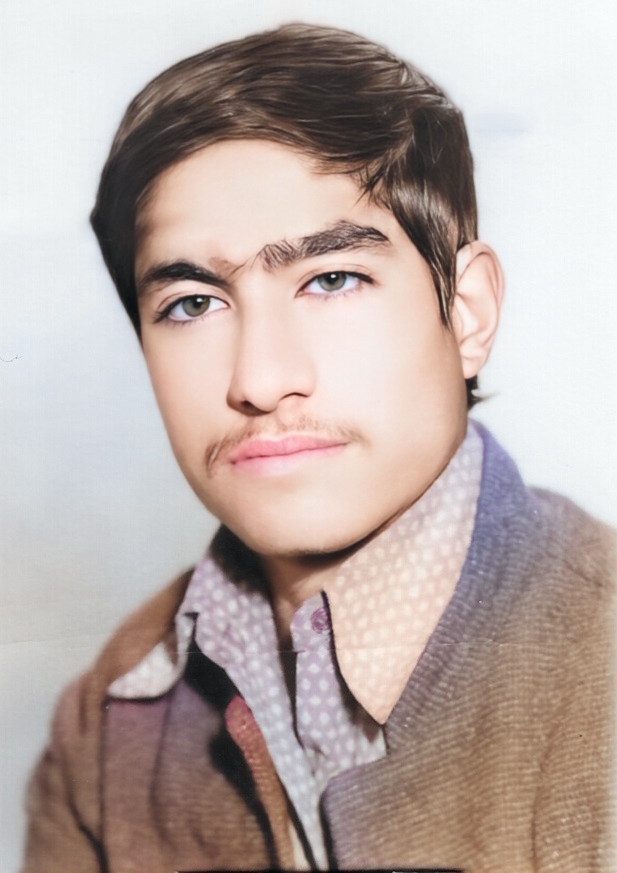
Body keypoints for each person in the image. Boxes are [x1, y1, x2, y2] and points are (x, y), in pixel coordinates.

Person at [22, 22, 614, 873]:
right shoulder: (111, 711)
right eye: (192, 303)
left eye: (332, 279)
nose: (261, 380)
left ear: (467, 312)